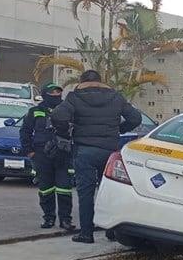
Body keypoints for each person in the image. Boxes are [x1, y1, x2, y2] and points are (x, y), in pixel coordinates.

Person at [51, 70, 141, 243]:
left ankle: (86, 233)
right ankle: (111, 231)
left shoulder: (74, 97)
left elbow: (58, 115)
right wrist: (120, 129)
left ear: (82, 81)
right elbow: (135, 118)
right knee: (110, 191)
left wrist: (65, 132)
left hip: (84, 150)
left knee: (86, 193)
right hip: (109, 151)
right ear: (101, 81)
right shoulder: (116, 97)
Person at [20, 83, 76, 231]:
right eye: (53, 92)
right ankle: (49, 218)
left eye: (58, 91)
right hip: (42, 155)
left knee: (64, 189)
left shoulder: (68, 109)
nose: (56, 94)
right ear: (45, 94)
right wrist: (30, 151)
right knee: (46, 189)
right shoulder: (35, 111)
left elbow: (76, 130)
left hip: (63, 155)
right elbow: (25, 131)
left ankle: (65, 220)